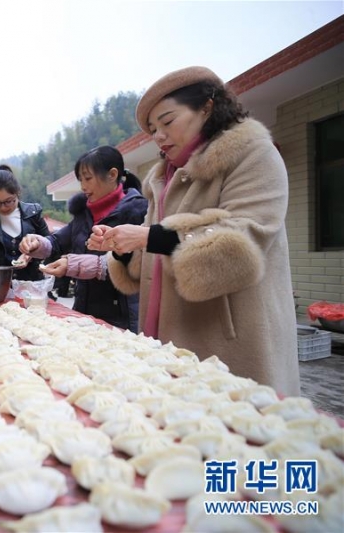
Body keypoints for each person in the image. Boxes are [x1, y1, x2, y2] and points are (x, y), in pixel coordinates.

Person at [88, 66, 300, 395]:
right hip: (168, 329)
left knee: (238, 432)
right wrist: (121, 245)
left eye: (167, 122)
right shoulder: (164, 178)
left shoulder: (254, 154)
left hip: (229, 336)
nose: (158, 136)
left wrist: (146, 237)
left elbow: (243, 241)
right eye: (153, 129)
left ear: (207, 106)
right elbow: (150, 250)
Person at [20, 146, 147, 330]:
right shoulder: (83, 214)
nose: (83, 186)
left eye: (88, 178)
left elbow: (135, 265)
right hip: (84, 312)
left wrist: (73, 265)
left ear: (112, 175)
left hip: (121, 317)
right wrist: (36, 243)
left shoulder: (138, 211)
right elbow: (56, 242)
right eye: (80, 180)